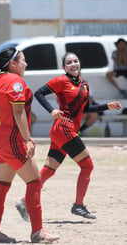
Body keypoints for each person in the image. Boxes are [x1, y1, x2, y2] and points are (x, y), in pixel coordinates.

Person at [15, 52, 121, 224]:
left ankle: (24, 202)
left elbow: (85, 109)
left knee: (49, 169)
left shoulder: (84, 85)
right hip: (63, 129)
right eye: (69, 62)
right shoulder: (61, 81)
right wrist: (52, 110)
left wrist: (105, 106)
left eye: (76, 61)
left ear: (79, 64)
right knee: (87, 166)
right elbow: (39, 93)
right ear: (64, 67)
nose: (73, 64)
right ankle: (78, 205)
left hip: (64, 131)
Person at [0, 47, 59, 243]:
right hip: (12, 136)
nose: (26, 64)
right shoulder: (15, 80)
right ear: (13, 63)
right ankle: (38, 233)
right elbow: (18, 112)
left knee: (2, 185)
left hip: (0, 135)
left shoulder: (0, 79)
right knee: (34, 182)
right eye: (23, 60)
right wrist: (27, 139)